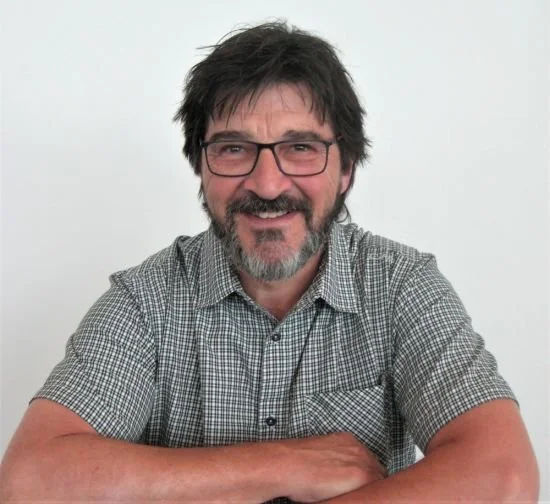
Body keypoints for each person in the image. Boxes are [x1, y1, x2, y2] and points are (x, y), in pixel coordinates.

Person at [0, 21, 539, 503]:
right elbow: (29, 483)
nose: (267, 184)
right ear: (201, 168)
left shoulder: (401, 286)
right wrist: (284, 465)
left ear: (347, 169)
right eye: (233, 148)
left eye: (300, 147)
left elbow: (505, 479)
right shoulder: (146, 302)